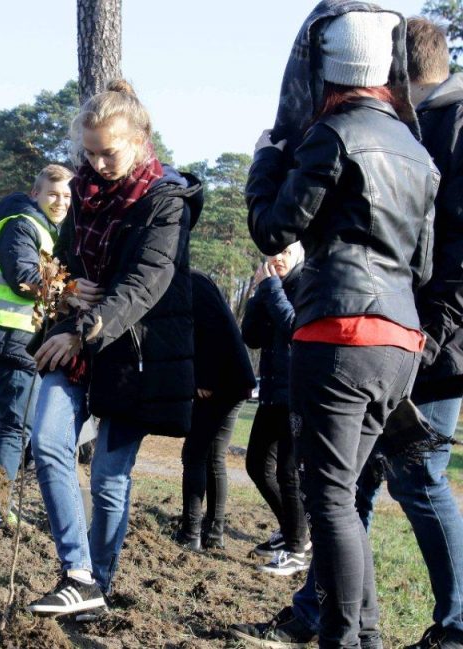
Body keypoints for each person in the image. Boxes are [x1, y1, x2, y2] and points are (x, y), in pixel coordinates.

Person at [238, 16, 463, 649]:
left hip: (338, 335)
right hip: (400, 343)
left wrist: (264, 161)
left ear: (330, 72)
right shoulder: (417, 150)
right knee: (347, 496)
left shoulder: (331, 135)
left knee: (331, 500)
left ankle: (346, 638)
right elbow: (421, 264)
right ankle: (361, 633)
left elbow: (273, 230)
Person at [24, 78, 203, 620]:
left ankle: (97, 584)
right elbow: (74, 263)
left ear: (141, 139)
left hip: (134, 355)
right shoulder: (81, 192)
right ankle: (77, 571)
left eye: (110, 152)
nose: (98, 163)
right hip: (77, 340)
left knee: (108, 479)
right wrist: (71, 289)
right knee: (49, 439)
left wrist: (84, 326)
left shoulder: (165, 202)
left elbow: (145, 282)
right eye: (89, 152)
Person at [0, 164, 73, 531]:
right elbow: (23, 280)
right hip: (8, 336)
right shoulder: (22, 224)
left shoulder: (44, 229)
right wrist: (71, 293)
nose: (60, 202)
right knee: (15, 426)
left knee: (20, 424)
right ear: (35, 195)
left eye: (66, 196)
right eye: (53, 194)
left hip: (16, 337)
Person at [240, 242, 312, 575]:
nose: (278, 258)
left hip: (299, 391)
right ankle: (292, 531)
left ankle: (298, 547)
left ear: (297, 253)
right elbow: (250, 336)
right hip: (272, 390)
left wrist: (271, 290)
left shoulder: (305, 281)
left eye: (285, 252)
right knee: (256, 463)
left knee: (288, 472)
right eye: (274, 253)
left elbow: (297, 329)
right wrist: (257, 293)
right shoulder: (272, 286)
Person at [175, 269, 256, 552]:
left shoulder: (188, 282)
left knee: (195, 454)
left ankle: (190, 533)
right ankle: (214, 533)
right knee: (213, 457)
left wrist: (204, 378)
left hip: (222, 383)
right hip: (234, 379)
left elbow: (213, 326)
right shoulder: (197, 281)